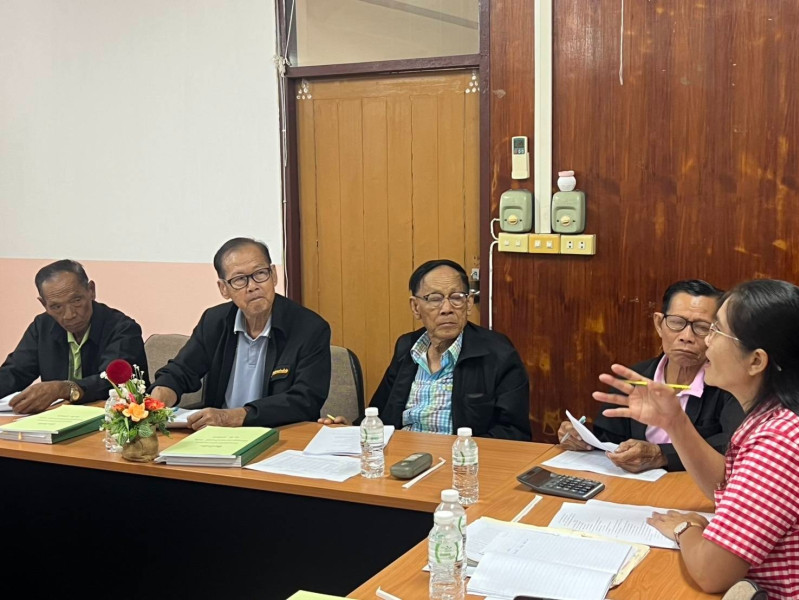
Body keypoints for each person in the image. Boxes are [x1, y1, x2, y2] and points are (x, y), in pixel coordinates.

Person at [594, 279, 799, 598]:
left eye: (716, 331)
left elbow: (712, 573)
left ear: (756, 361)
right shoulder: (771, 416)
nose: (705, 342)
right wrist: (674, 422)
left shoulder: (779, 442)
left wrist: (686, 528)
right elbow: (724, 486)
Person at [321, 259, 531, 441]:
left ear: (468, 303)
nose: (447, 309)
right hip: (401, 457)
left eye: (456, 297)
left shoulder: (498, 353)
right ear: (415, 307)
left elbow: (514, 432)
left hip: (459, 461)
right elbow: (381, 414)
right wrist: (351, 429)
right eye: (435, 299)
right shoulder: (407, 348)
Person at [557, 280, 744, 472]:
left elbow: (734, 444)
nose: (686, 337)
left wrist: (662, 454)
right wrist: (581, 437)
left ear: (716, 334)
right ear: (659, 324)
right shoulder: (634, 378)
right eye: (677, 323)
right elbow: (609, 439)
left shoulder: (729, 385)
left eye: (702, 327)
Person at [149, 237, 331, 429]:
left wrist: (236, 416)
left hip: (279, 433)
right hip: (217, 436)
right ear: (223, 289)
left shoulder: (309, 328)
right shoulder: (214, 321)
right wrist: (161, 393)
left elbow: (305, 400)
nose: (252, 286)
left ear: (274, 275)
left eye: (260, 273)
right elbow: (182, 370)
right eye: (239, 280)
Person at [0, 259, 148, 414]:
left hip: (111, 419)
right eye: (56, 307)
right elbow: (15, 372)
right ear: (44, 304)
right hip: (57, 420)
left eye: (76, 301)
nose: (69, 315)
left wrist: (65, 389)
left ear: (91, 290)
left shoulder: (123, 328)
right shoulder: (42, 326)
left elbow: (112, 382)